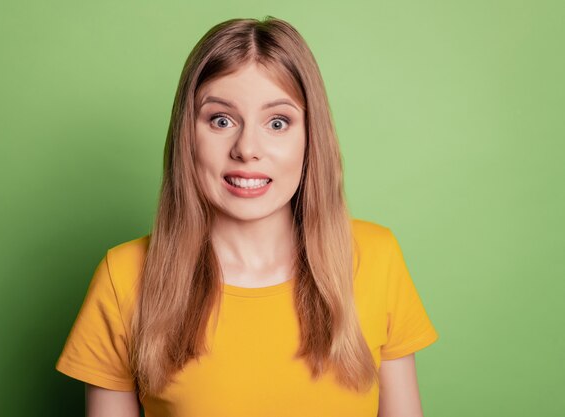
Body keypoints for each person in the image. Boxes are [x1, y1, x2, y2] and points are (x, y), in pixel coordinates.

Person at [55, 16, 439, 417]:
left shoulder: (377, 259)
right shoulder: (124, 277)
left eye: (277, 122)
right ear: (188, 135)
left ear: (311, 138)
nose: (247, 148)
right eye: (221, 120)